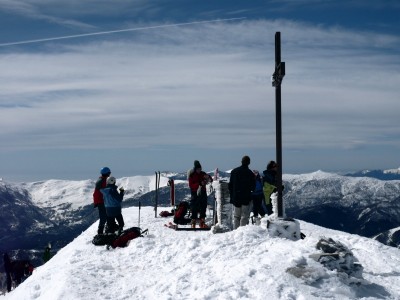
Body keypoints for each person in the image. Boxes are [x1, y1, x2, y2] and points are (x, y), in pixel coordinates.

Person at [229, 156, 256, 229]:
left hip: (236, 197)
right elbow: (253, 187)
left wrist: (232, 195)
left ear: (241, 161)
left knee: (236, 216)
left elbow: (230, 185)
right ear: (249, 163)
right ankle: (242, 231)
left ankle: (235, 231)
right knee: (244, 216)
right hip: (246, 197)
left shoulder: (234, 171)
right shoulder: (250, 173)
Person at [188, 160, 213, 228]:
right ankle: (193, 221)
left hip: (202, 192)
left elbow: (210, 179)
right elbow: (191, 185)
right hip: (195, 192)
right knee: (194, 207)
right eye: (198, 169)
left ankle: (202, 221)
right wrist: (199, 183)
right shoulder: (192, 175)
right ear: (195, 169)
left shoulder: (202, 173)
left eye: (200, 169)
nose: (199, 170)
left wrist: (208, 177)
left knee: (203, 206)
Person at [93, 167, 111, 234]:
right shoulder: (103, 181)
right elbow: (104, 192)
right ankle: (100, 232)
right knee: (104, 217)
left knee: (105, 216)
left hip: (100, 201)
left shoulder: (101, 180)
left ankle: (104, 230)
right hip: (102, 201)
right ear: (107, 173)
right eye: (109, 172)